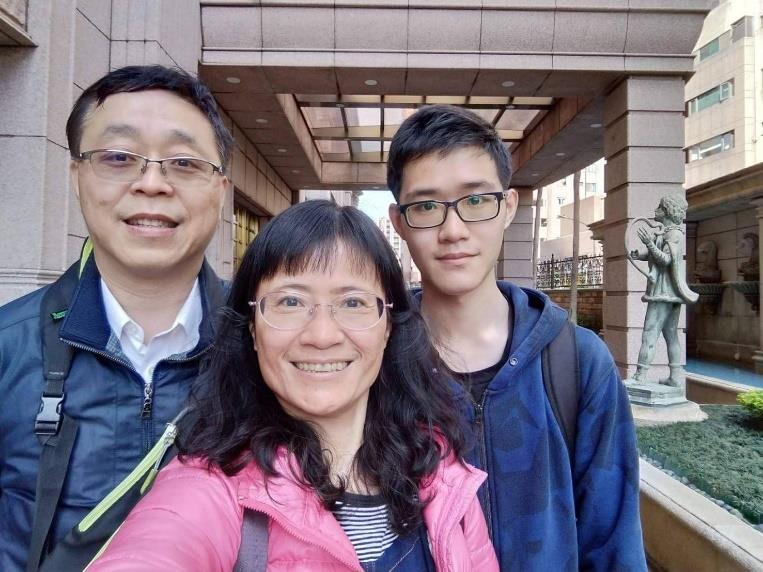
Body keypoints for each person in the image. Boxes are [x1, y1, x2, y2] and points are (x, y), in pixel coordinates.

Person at [88, 200, 497, 571]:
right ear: (252, 327)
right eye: (290, 302)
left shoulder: (441, 474)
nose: (321, 335)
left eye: (353, 303)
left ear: (388, 326)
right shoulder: (209, 486)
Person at [387, 105, 647, 571]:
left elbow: (614, 544)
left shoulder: (577, 362)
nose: (453, 230)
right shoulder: (376, 360)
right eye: (426, 206)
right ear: (399, 221)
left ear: (507, 207)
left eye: (476, 200)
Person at [0, 65, 232, 570]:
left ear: (220, 188)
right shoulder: (8, 347)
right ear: (77, 175)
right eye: (119, 158)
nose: (152, 183)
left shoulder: (270, 345)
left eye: (184, 162)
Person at [629, 194, 698, 388]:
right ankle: (675, 376)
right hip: (668, 293)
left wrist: (649, 243)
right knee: (670, 334)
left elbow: (666, 260)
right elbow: (655, 255)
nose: (656, 209)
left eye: (660, 207)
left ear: (668, 211)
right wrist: (640, 254)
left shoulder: (674, 234)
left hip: (664, 292)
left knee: (650, 332)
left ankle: (641, 375)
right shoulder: (666, 232)